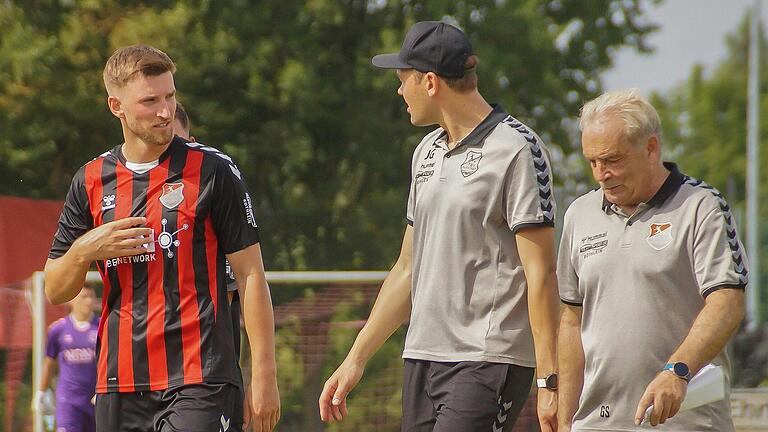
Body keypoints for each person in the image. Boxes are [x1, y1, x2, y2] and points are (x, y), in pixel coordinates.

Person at [319, 21, 559, 432]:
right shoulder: (425, 152)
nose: (398, 92)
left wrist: (550, 380)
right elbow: (407, 269)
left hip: (487, 359)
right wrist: (355, 359)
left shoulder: (517, 149)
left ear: (429, 82)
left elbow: (541, 274)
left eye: (402, 80)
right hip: (423, 357)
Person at [44, 44, 280, 432]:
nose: (166, 111)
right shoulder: (89, 180)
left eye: (170, 96)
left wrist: (266, 374)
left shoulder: (213, 171)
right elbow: (55, 288)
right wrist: (86, 249)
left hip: (201, 376)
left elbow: (251, 275)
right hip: (119, 381)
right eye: (150, 101)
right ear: (116, 106)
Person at [557, 88, 746, 431]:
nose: (601, 174)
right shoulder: (578, 214)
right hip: (598, 424)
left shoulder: (700, 206)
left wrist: (677, 371)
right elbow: (572, 320)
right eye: (592, 162)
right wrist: (565, 418)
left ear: (651, 148)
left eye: (612, 160)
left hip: (685, 421)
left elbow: (727, 303)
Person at [171, 101, 252, 432]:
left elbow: (242, 287)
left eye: (177, 142)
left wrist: (260, 377)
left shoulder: (212, 187)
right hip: (140, 382)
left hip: (206, 379)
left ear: (191, 140)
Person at [34, 285, 99, 432]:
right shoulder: (58, 329)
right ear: (72, 300)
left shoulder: (103, 326)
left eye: (91, 297)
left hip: (96, 400)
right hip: (68, 401)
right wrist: (41, 392)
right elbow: (49, 362)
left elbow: (112, 362)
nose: (88, 301)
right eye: (84, 297)